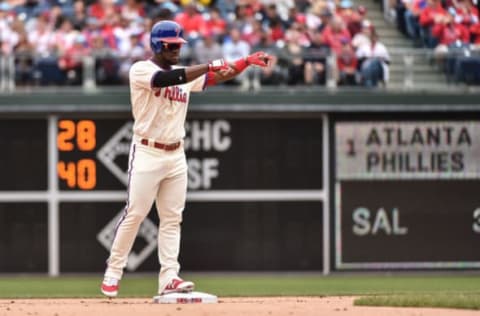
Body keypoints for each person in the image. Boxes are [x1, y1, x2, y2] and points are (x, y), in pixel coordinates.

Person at [100, 20, 271, 298]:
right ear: (158, 45)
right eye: (172, 44)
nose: (178, 48)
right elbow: (166, 80)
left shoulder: (184, 72)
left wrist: (245, 62)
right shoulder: (141, 70)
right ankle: (114, 270)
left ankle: (169, 276)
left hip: (175, 153)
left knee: (171, 219)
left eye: (180, 44)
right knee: (136, 213)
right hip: (146, 150)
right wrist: (207, 65)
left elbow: (218, 76)